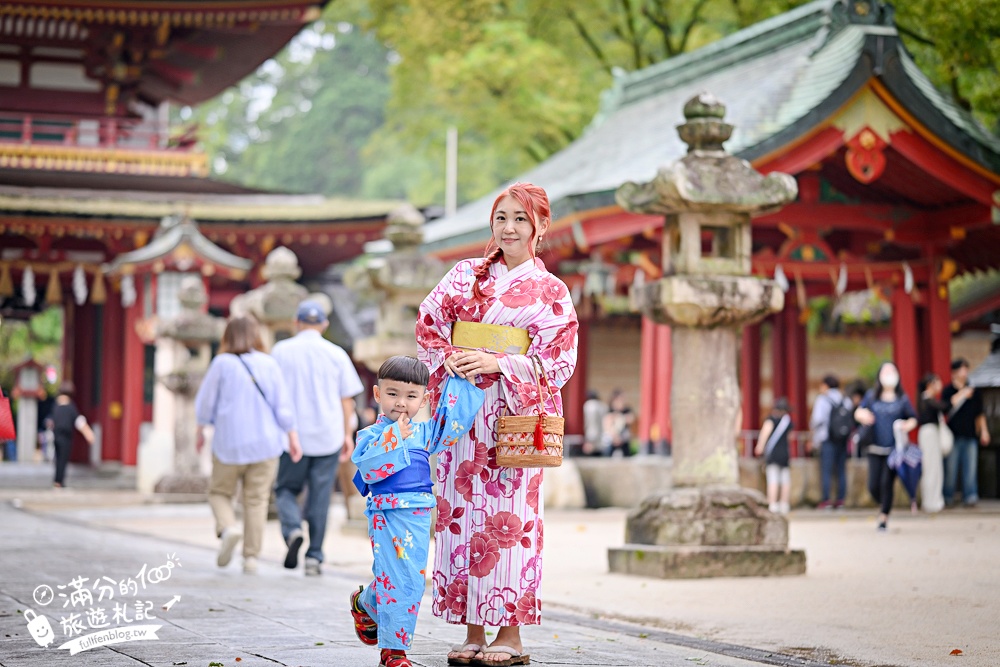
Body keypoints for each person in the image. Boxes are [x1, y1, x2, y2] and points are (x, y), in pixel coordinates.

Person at [415, 182, 578, 666]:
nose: (508, 227)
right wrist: (455, 358)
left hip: (511, 416)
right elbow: (428, 324)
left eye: (521, 219)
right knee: (460, 518)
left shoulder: (551, 293)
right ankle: (472, 630)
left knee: (511, 526)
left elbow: (559, 360)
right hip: (462, 415)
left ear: (540, 227)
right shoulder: (465, 274)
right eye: (501, 217)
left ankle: (510, 635)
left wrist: (499, 364)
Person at [348, 356, 484, 667]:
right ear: (378, 393)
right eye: (393, 393)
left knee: (409, 578)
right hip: (387, 514)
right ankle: (394, 651)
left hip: (420, 513)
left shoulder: (425, 432)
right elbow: (368, 468)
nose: (401, 403)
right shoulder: (369, 435)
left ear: (425, 399)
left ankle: (365, 602)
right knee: (399, 579)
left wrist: (460, 381)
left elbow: (452, 423)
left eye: (411, 396)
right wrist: (394, 436)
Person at [195, 316, 302, 574]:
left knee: (220, 492)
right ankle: (251, 558)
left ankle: (228, 527)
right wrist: (292, 436)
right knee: (256, 500)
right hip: (266, 444)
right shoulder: (269, 364)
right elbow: (283, 406)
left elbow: (205, 404)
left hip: (229, 442)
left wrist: (201, 428)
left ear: (227, 336)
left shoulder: (221, 363)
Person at [271, 300, 364, 576]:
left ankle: (292, 530)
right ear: (323, 324)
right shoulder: (336, 354)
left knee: (286, 488)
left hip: (292, 436)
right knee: (320, 496)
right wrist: (347, 434)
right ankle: (314, 556)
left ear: (296, 322)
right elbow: (347, 398)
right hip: (328, 435)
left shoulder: (280, 351)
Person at [854, 362, 917, 532]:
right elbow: (858, 412)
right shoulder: (871, 396)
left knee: (886, 483)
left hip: (893, 450)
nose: (889, 374)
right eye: (886, 371)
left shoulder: (902, 399)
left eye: (892, 371)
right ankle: (883, 503)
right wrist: (863, 416)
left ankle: (883, 517)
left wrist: (905, 425)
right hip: (874, 447)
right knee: (873, 485)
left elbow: (913, 418)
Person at [941, 358, 991, 507]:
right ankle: (948, 496)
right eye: (962, 369)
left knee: (970, 469)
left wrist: (984, 432)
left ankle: (970, 496)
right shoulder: (948, 390)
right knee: (950, 469)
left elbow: (980, 414)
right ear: (954, 372)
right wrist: (962, 394)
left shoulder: (974, 392)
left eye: (966, 369)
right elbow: (945, 408)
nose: (965, 373)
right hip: (953, 435)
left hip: (970, 435)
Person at [810, 375, 850, 509]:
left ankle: (826, 500)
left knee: (826, 470)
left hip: (827, 438)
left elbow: (817, 419)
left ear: (826, 385)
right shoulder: (846, 399)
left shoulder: (823, 399)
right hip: (843, 439)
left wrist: (814, 437)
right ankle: (841, 500)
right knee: (841, 470)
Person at [49, 382, 95, 488]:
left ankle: (57, 479)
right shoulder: (70, 407)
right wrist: (88, 433)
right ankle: (59, 481)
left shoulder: (55, 405)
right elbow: (79, 421)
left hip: (56, 435)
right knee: (63, 459)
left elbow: (52, 420)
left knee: (58, 458)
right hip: (66, 436)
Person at [916, 373, 948, 513]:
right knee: (931, 468)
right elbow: (945, 407)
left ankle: (934, 500)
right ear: (930, 385)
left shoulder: (928, 399)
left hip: (930, 434)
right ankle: (931, 502)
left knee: (934, 468)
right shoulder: (927, 399)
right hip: (929, 435)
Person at [755, 397, 793, 514]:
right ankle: (784, 503)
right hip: (785, 454)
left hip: (773, 454)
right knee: (785, 480)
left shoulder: (771, 420)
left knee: (773, 479)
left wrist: (759, 447)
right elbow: (789, 438)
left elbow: (764, 435)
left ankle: (772, 503)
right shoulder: (788, 422)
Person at [602, 390, 635, 457]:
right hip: (611, 439)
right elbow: (607, 425)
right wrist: (615, 437)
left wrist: (619, 417)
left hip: (624, 439)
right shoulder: (609, 410)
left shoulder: (627, 410)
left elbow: (631, 419)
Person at [580, 390, 606, 456]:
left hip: (591, 433)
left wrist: (589, 438)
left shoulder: (589, 405)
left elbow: (589, 421)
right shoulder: (602, 405)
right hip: (601, 434)